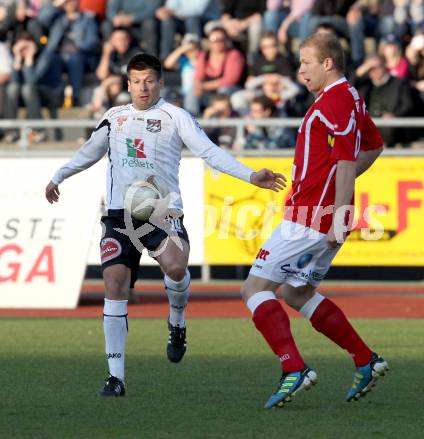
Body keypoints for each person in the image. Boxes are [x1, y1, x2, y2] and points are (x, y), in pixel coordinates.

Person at [45, 53, 286, 397]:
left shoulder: (175, 116)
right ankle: (116, 377)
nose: (142, 88)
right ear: (127, 84)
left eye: (149, 81)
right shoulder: (114, 117)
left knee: (175, 266)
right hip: (119, 215)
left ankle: (177, 320)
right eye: (135, 81)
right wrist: (59, 176)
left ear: (160, 83)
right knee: (114, 283)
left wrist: (251, 175)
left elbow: (208, 150)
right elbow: (89, 151)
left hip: (161, 211)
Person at [240, 33, 388, 409]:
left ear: (328, 63)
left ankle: (294, 368)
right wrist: (340, 205)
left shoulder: (336, 101)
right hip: (323, 214)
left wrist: (338, 214)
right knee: (295, 293)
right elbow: (374, 145)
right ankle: (365, 359)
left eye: (306, 61)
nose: (300, 69)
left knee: (254, 288)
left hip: (310, 217)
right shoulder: (350, 96)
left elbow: (343, 162)